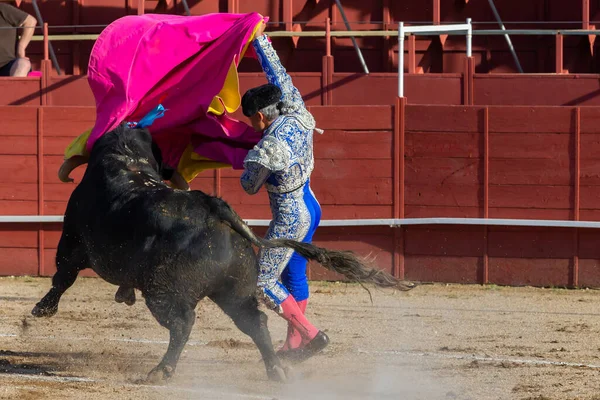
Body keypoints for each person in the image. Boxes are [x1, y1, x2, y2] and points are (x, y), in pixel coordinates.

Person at [240, 22, 328, 363]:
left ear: (261, 116)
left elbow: (249, 186)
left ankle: (310, 334)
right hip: (311, 203)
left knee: (263, 281)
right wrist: (259, 38)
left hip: (291, 217)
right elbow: (278, 72)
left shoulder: (270, 146)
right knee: (293, 273)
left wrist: (250, 155)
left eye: (251, 120)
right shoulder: (295, 108)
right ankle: (295, 345)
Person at [0, 4, 36, 77]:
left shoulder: (2, 8)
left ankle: (14, 88)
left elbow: (30, 21)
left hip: (8, 65)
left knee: (23, 64)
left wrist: (21, 49)